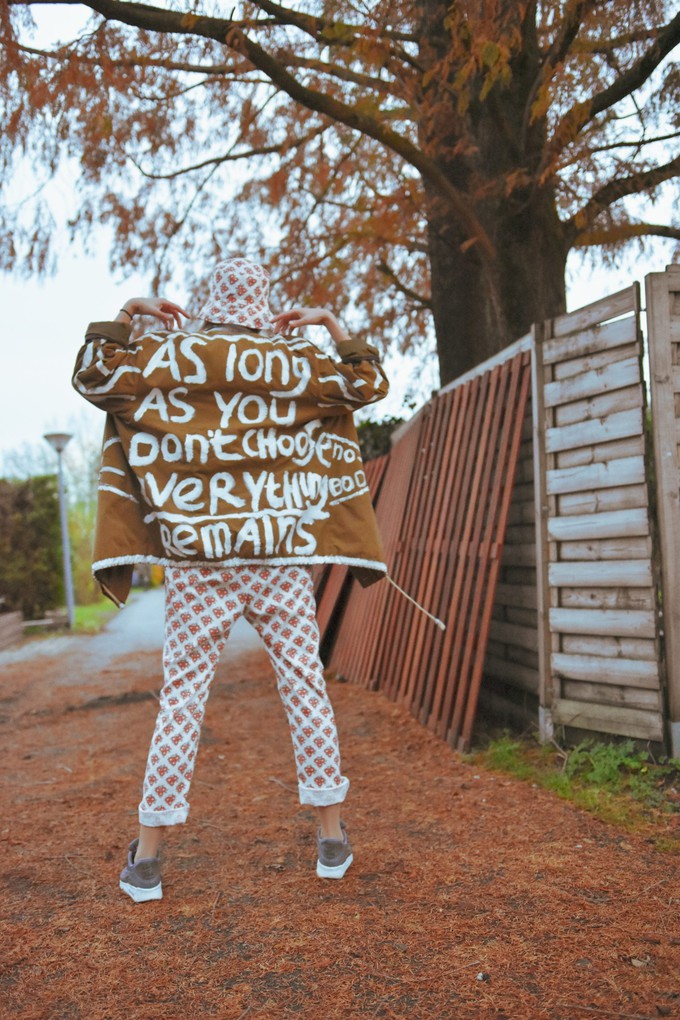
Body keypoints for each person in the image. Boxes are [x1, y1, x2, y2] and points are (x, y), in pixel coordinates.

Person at [72, 257, 389, 902]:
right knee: (305, 688)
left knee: (182, 701)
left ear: (208, 302)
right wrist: (330, 322)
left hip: (198, 564)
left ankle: (149, 862)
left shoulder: (170, 357)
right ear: (265, 300)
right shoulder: (296, 363)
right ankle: (332, 839)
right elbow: (368, 383)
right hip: (278, 560)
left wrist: (131, 312)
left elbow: (92, 376)